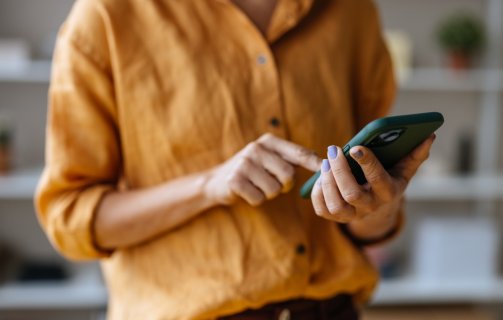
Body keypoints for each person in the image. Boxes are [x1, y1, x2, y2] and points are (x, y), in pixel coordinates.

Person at [35, 0, 435, 319]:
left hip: (332, 309)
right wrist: (207, 186)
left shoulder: (353, 12)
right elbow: (70, 216)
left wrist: (377, 205)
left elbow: (372, 226)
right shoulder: (107, 16)